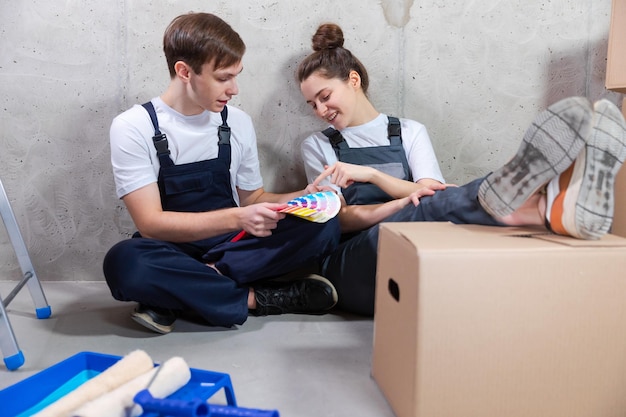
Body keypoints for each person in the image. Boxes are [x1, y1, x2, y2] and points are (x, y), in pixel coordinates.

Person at [295, 23, 626, 316]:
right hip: (348, 263)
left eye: (325, 96)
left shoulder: (408, 131)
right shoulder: (318, 145)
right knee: (423, 212)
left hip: (412, 245)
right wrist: (394, 205)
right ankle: (544, 199)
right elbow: (337, 218)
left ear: (353, 80)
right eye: (312, 104)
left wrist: (374, 175)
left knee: (439, 207)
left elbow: (431, 193)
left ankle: (544, 206)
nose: (321, 110)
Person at [103, 13, 342, 334]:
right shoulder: (134, 126)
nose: (234, 89)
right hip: (172, 245)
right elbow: (151, 224)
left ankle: (180, 290)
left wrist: (302, 197)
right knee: (126, 262)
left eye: (236, 75)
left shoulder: (237, 122)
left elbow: (253, 198)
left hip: (234, 245)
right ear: (184, 71)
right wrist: (238, 218)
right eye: (223, 77)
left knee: (326, 225)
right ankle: (259, 298)